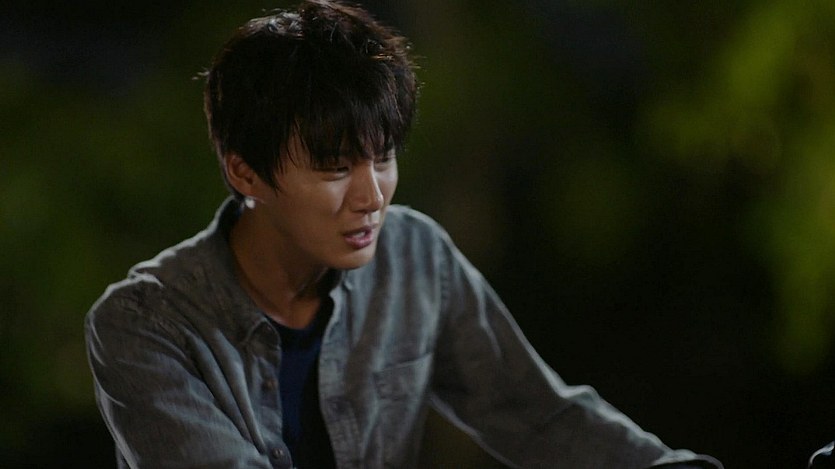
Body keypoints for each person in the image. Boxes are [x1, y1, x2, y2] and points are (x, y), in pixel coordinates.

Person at [84, 1, 723, 468]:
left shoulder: (416, 256)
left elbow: (537, 416)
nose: (372, 196)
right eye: (335, 168)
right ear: (244, 171)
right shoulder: (143, 325)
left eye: (383, 157)